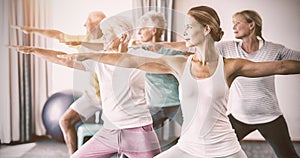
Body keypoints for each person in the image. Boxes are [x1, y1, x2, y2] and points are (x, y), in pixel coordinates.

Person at [56, 5, 300, 158]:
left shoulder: (230, 65)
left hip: (224, 148)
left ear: (205, 30)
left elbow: (280, 65)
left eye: (189, 27)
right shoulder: (180, 64)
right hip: (189, 147)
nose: (184, 32)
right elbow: (129, 60)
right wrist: (88, 53)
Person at [11, 14, 161, 158]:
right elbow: (64, 59)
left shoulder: (140, 58)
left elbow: (167, 62)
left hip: (139, 133)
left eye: (108, 35)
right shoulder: (99, 60)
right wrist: (35, 50)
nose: (103, 39)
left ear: (122, 37)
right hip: (109, 132)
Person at [14, 11, 106, 155]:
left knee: (116, 133)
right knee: (65, 121)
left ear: (97, 25)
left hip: (109, 98)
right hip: (91, 97)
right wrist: (33, 31)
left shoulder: (109, 43)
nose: (84, 24)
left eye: (87, 21)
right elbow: (59, 36)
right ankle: (74, 155)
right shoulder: (84, 40)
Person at [215, 10, 300, 158]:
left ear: (251, 25)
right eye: (233, 23)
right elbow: (197, 48)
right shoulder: (226, 48)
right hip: (239, 117)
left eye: (237, 23)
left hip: (270, 117)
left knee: (288, 156)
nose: (233, 27)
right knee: (214, 151)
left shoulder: (274, 49)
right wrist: (162, 46)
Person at [133, 11, 184, 147]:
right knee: (136, 137)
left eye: (143, 29)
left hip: (176, 103)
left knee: (195, 133)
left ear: (153, 30)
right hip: (154, 105)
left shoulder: (173, 51)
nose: (139, 33)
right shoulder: (137, 50)